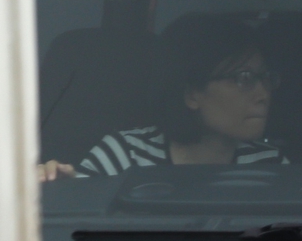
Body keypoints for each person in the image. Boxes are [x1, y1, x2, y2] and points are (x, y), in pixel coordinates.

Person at [42, 26, 285, 180]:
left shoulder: (272, 166)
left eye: (265, 78)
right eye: (244, 79)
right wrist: (65, 185)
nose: (263, 93)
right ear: (191, 95)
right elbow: (83, 218)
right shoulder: (125, 154)